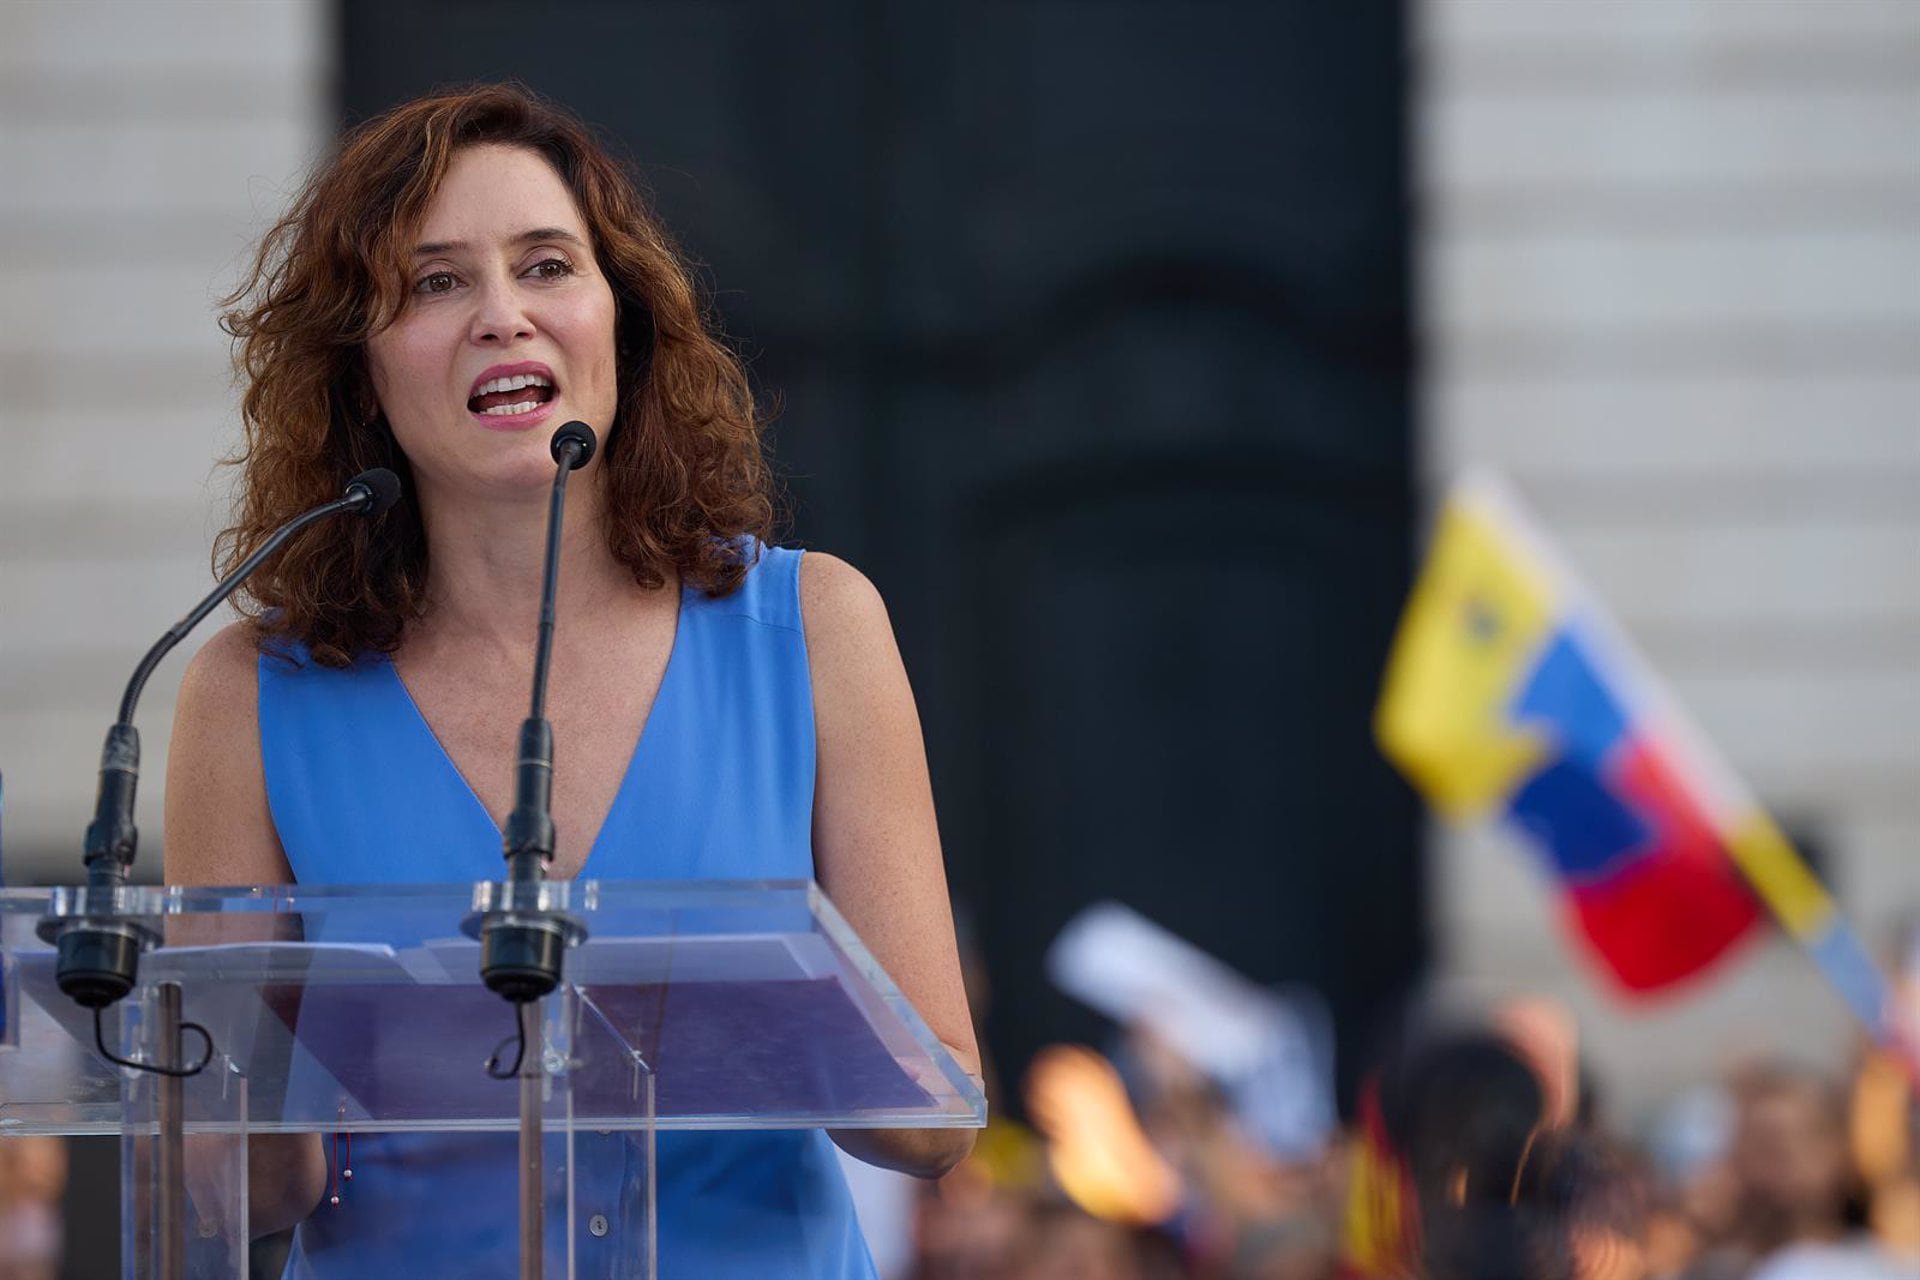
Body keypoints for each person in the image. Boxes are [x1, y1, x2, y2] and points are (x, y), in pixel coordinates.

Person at [162, 82, 980, 1277]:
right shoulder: (246, 693)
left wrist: (694, 1016)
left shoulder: (813, 625)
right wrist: (272, 1069)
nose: (505, 314)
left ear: (620, 318)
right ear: (362, 366)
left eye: (546, 264)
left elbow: (934, 1111)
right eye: (436, 281)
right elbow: (233, 1185)